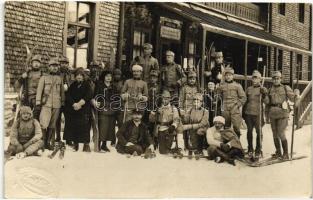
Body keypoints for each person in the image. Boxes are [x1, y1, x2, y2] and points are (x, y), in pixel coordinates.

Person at [264, 71, 300, 160]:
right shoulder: (269, 90)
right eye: (274, 78)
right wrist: (264, 95)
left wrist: (296, 95)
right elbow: (267, 103)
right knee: (274, 134)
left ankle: (285, 154)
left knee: (281, 133)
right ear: (272, 80)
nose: (276, 80)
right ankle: (278, 152)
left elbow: (293, 98)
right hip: (272, 113)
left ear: (281, 79)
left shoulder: (285, 88)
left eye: (278, 78)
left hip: (283, 113)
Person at [36, 57, 65, 150]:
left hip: (57, 104)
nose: (55, 68)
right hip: (46, 104)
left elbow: (62, 92)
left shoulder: (60, 79)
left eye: (56, 66)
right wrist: (38, 102)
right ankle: (43, 143)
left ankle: (48, 143)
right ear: (49, 67)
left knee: (52, 125)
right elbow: (39, 91)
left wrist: (63, 102)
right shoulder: (44, 78)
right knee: (44, 123)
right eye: (52, 66)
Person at [63, 68, 93, 152]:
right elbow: (68, 95)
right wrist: (73, 104)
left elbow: (89, 94)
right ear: (75, 77)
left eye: (81, 75)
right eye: (77, 75)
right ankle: (75, 144)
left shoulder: (87, 85)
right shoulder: (73, 85)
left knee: (85, 127)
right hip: (75, 109)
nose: (79, 77)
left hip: (84, 109)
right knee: (75, 126)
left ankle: (86, 145)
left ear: (83, 77)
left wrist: (80, 103)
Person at [243, 70, 267, 159]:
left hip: (258, 114)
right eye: (253, 77)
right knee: (249, 132)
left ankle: (258, 150)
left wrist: (264, 94)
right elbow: (244, 101)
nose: (254, 79)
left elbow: (266, 101)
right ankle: (250, 149)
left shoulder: (263, 89)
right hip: (248, 113)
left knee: (259, 132)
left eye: (256, 78)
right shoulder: (248, 89)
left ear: (260, 79)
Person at [149, 90, 183, 155]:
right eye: (164, 98)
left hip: (169, 128)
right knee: (162, 151)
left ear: (170, 99)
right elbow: (151, 120)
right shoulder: (158, 108)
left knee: (167, 149)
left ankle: (176, 148)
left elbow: (176, 119)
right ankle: (168, 149)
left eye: (167, 98)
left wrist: (173, 126)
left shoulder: (173, 108)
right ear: (162, 99)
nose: (165, 100)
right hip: (161, 129)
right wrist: (153, 113)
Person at [217, 67, 246, 138]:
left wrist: (238, 105)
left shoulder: (237, 86)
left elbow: (243, 98)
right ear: (225, 76)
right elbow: (218, 96)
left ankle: (237, 145)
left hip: (234, 108)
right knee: (226, 127)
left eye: (230, 75)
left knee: (236, 126)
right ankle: (228, 144)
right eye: (227, 75)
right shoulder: (222, 86)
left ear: (233, 76)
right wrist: (217, 89)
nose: (228, 77)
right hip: (225, 108)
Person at [92, 70, 118, 151]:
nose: (108, 78)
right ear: (103, 77)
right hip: (102, 108)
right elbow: (95, 96)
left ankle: (104, 145)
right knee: (102, 127)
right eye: (107, 76)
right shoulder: (99, 85)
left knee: (109, 127)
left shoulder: (113, 86)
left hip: (111, 108)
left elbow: (116, 97)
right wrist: (96, 102)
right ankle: (98, 144)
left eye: (110, 76)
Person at [15, 54, 43, 120]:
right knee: (25, 115)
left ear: (40, 64)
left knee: (36, 116)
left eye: (38, 63)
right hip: (27, 98)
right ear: (32, 63)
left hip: (37, 99)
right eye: (35, 62)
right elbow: (17, 84)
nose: (36, 64)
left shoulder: (42, 74)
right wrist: (22, 78)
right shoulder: (27, 73)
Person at [55, 55, 72, 143]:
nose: (64, 65)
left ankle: (68, 138)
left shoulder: (70, 74)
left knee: (68, 119)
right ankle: (57, 137)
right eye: (62, 63)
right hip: (58, 99)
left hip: (68, 100)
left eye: (65, 63)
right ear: (59, 64)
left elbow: (73, 86)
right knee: (57, 119)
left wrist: (68, 86)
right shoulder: (55, 74)